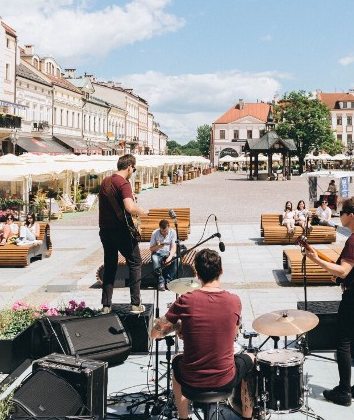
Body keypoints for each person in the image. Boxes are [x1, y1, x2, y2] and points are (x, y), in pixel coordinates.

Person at [150, 248, 254, 420]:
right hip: (225, 379)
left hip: (191, 380)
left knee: (176, 359)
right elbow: (233, 334)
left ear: (197, 274)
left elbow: (155, 333)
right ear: (221, 271)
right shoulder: (234, 301)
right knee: (251, 359)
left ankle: (183, 417)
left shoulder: (185, 300)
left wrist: (178, 328)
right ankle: (247, 416)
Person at [305, 197, 354, 406]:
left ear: (351, 216)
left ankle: (344, 391)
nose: (340, 216)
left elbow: (344, 270)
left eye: (342, 213)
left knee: (343, 341)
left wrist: (316, 260)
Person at [99, 154, 147, 314]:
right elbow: (130, 208)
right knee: (135, 263)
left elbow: (115, 203)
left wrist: (131, 199)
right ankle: (135, 304)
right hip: (122, 231)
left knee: (110, 266)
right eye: (134, 168)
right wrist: (142, 211)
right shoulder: (124, 183)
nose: (133, 171)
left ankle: (106, 305)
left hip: (105, 231)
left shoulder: (105, 181)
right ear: (129, 167)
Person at [150, 219, 177, 291]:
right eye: (162, 231)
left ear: (169, 227)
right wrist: (158, 246)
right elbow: (151, 249)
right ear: (159, 229)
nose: (164, 233)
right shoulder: (155, 233)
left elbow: (174, 246)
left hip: (168, 252)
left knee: (177, 259)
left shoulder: (173, 232)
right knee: (155, 259)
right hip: (158, 252)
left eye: (166, 231)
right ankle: (160, 282)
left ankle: (169, 281)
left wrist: (170, 257)